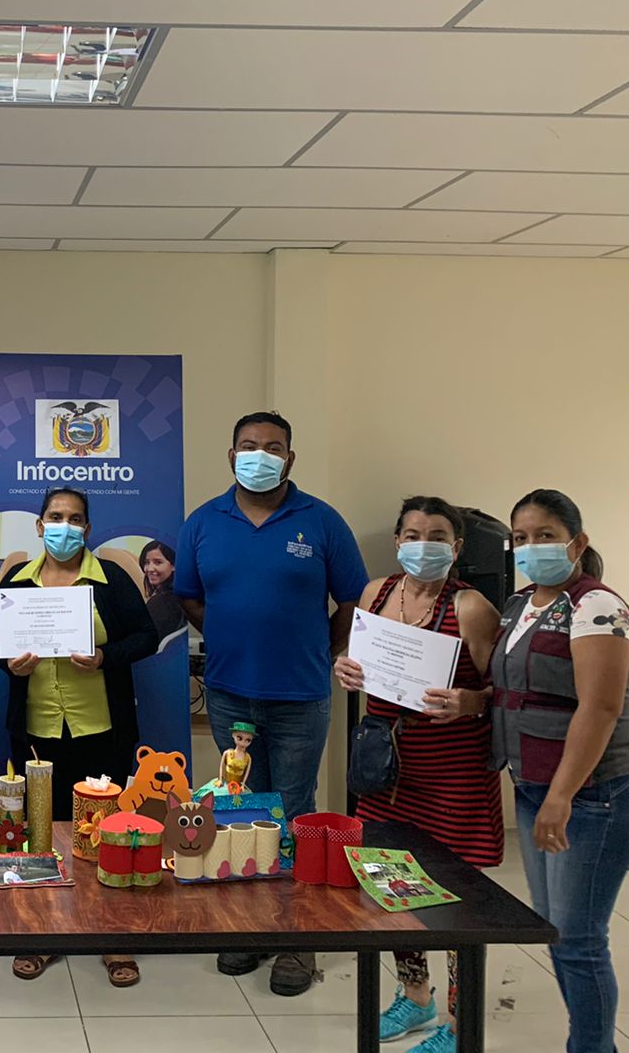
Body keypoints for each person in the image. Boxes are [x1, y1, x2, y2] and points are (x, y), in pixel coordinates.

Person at [173, 409, 368, 991]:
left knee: (294, 810)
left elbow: (352, 601)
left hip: (300, 696)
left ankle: (296, 940)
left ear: (290, 457)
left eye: (273, 446)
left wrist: (323, 649)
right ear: (232, 456)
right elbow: (189, 597)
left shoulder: (322, 521)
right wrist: (231, 635)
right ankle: (251, 926)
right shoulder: (203, 521)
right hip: (229, 693)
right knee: (241, 812)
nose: (261, 454)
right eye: (249, 445)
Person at [334, 497, 504, 1052]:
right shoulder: (375, 594)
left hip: (452, 773)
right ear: (397, 541)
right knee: (391, 884)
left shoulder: (471, 607)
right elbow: (359, 662)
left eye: (436, 536)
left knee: (454, 902)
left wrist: (471, 702)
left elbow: (505, 692)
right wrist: (345, 668)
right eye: (411, 534)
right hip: (387, 771)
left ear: (456, 548)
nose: (422, 544)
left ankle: (457, 1022)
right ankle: (416, 995)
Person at [484, 489, 629, 1053]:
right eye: (521, 537)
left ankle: (593, 1047)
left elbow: (599, 708)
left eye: (546, 535)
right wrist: (468, 702)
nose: (532, 546)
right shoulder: (518, 605)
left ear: (577, 543)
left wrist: (561, 796)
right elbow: (515, 689)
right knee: (556, 928)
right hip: (536, 789)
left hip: (595, 796)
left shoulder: (597, 606)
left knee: (579, 939)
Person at [0, 488, 159, 988]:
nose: (66, 526)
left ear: (88, 528)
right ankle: (43, 933)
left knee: (106, 833)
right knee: (42, 833)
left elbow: (145, 637)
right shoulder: (17, 581)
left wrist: (105, 657)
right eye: (56, 517)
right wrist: (11, 665)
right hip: (37, 732)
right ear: (40, 526)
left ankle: (112, 936)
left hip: (101, 729)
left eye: (76, 519)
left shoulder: (111, 580)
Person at [138, 539, 186, 637]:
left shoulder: (162, 602)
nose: (150, 568)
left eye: (158, 562)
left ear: (174, 565)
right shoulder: (180, 595)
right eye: (147, 562)